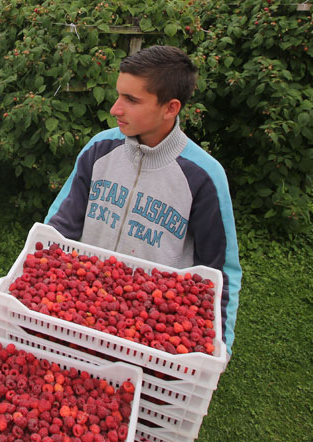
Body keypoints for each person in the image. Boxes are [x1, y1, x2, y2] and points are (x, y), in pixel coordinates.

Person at [44, 45, 242, 356]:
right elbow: (59, 226)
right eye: (118, 94)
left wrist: (221, 344)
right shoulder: (100, 149)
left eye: (131, 100)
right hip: (81, 309)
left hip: (149, 331)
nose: (115, 108)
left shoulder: (203, 176)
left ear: (170, 108)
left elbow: (220, 272)